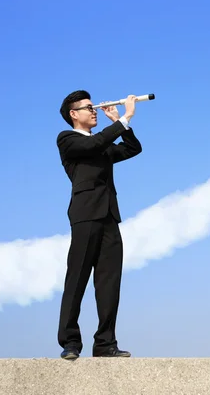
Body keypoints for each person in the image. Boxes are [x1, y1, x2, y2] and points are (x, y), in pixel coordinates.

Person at [56, 90, 142, 360]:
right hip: (85, 216)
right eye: (88, 107)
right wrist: (123, 119)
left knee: (109, 282)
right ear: (73, 114)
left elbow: (132, 149)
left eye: (94, 107)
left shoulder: (102, 141)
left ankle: (105, 344)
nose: (94, 111)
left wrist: (120, 123)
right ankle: (70, 342)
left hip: (109, 218)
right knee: (77, 279)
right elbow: (91, 147)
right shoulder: (67, 139)